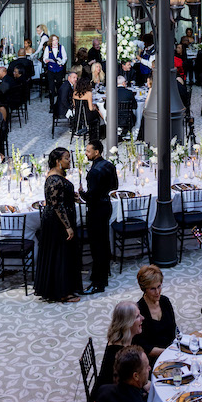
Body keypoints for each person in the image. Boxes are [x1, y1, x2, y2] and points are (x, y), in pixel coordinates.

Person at [34, 147, 81, 303]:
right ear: (57, 161)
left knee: (62, 255)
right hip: (57, 222)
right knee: (60, 255)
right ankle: (62, 293)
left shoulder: (58, 175)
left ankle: (61, 289)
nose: (69, 161)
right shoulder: (54, 179)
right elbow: (56, 205)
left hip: (59, 219)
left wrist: (71, 196)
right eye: (66, 158)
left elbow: (60, 198)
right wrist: (68, 226)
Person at [80, 137, 117, 294]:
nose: (86, 154)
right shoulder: (109, 165)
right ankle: (103, 274)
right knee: (103, 241)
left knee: (97, 246)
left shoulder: (94, 172)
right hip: (106, 206)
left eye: (88, 151)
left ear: (97, 152)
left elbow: (91, 197)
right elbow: (115, 186)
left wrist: (81, 193)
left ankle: (98, 282)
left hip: (96, 210)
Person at [96, 300, 143, 389]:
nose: (142, 318)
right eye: (137, 317)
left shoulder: (122, 337)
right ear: (127, 322)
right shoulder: (120, 352)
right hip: (112, 396)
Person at [135, 265, 177, 361]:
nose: (157, 292)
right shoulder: (139, 310)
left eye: (159, 286)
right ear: (144, 289)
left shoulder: (165, 301)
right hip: (150, 360)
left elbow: (173, 329)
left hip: (171, 351)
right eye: (152, 289)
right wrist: (168, 352)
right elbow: (144, 347)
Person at [43, 34, 67, 110]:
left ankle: (59, 104)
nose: (56, 41)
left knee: (59, 87)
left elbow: (65, 57)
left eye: (56, 39)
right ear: (51, 41)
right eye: (54, 40)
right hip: (51, 70)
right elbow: (45, 57)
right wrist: (46, 60)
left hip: (59, 70)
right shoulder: (48, 48)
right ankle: (51, 105)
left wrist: (62, 62)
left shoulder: (61, 47)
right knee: (51, 88)